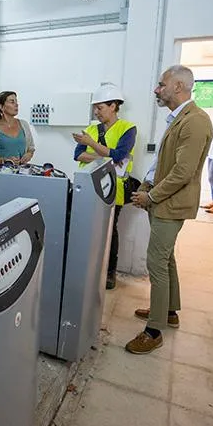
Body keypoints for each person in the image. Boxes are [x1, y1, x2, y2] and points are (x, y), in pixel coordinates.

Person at [127, 65, 212, 354]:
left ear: (178, 86)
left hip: (170, 204)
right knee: (167, 258)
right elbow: (163, 163)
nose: (156, 89)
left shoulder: (195, 121)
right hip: (163, 199)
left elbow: (182, 173)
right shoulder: (179, 119)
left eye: (161, 84)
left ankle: (154, 330)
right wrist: (147, 184)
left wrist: (151, 197)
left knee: (156, 263)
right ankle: (169, 312)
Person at [73, 82, 137, 290]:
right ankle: (88, 268)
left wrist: (91, 145)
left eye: (99, 107)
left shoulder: (128, 129)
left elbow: (120, 155)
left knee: (110, 230)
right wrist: (104, 155)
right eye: (95, 108)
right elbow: (77, 155)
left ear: (113, 106)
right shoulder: (92, 129)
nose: (96, 112)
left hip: (113, 188)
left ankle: (110, 272)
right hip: (88, 185)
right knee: (87, 228)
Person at [0, 91, 35, 165]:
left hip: (22, 173)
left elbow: (31, 148)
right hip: (2, 174)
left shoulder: (24, 125)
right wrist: (4, 160)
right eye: (12, 102)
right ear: (1, 107)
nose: (16, 104)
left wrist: (29, 154)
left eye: (16, 101)